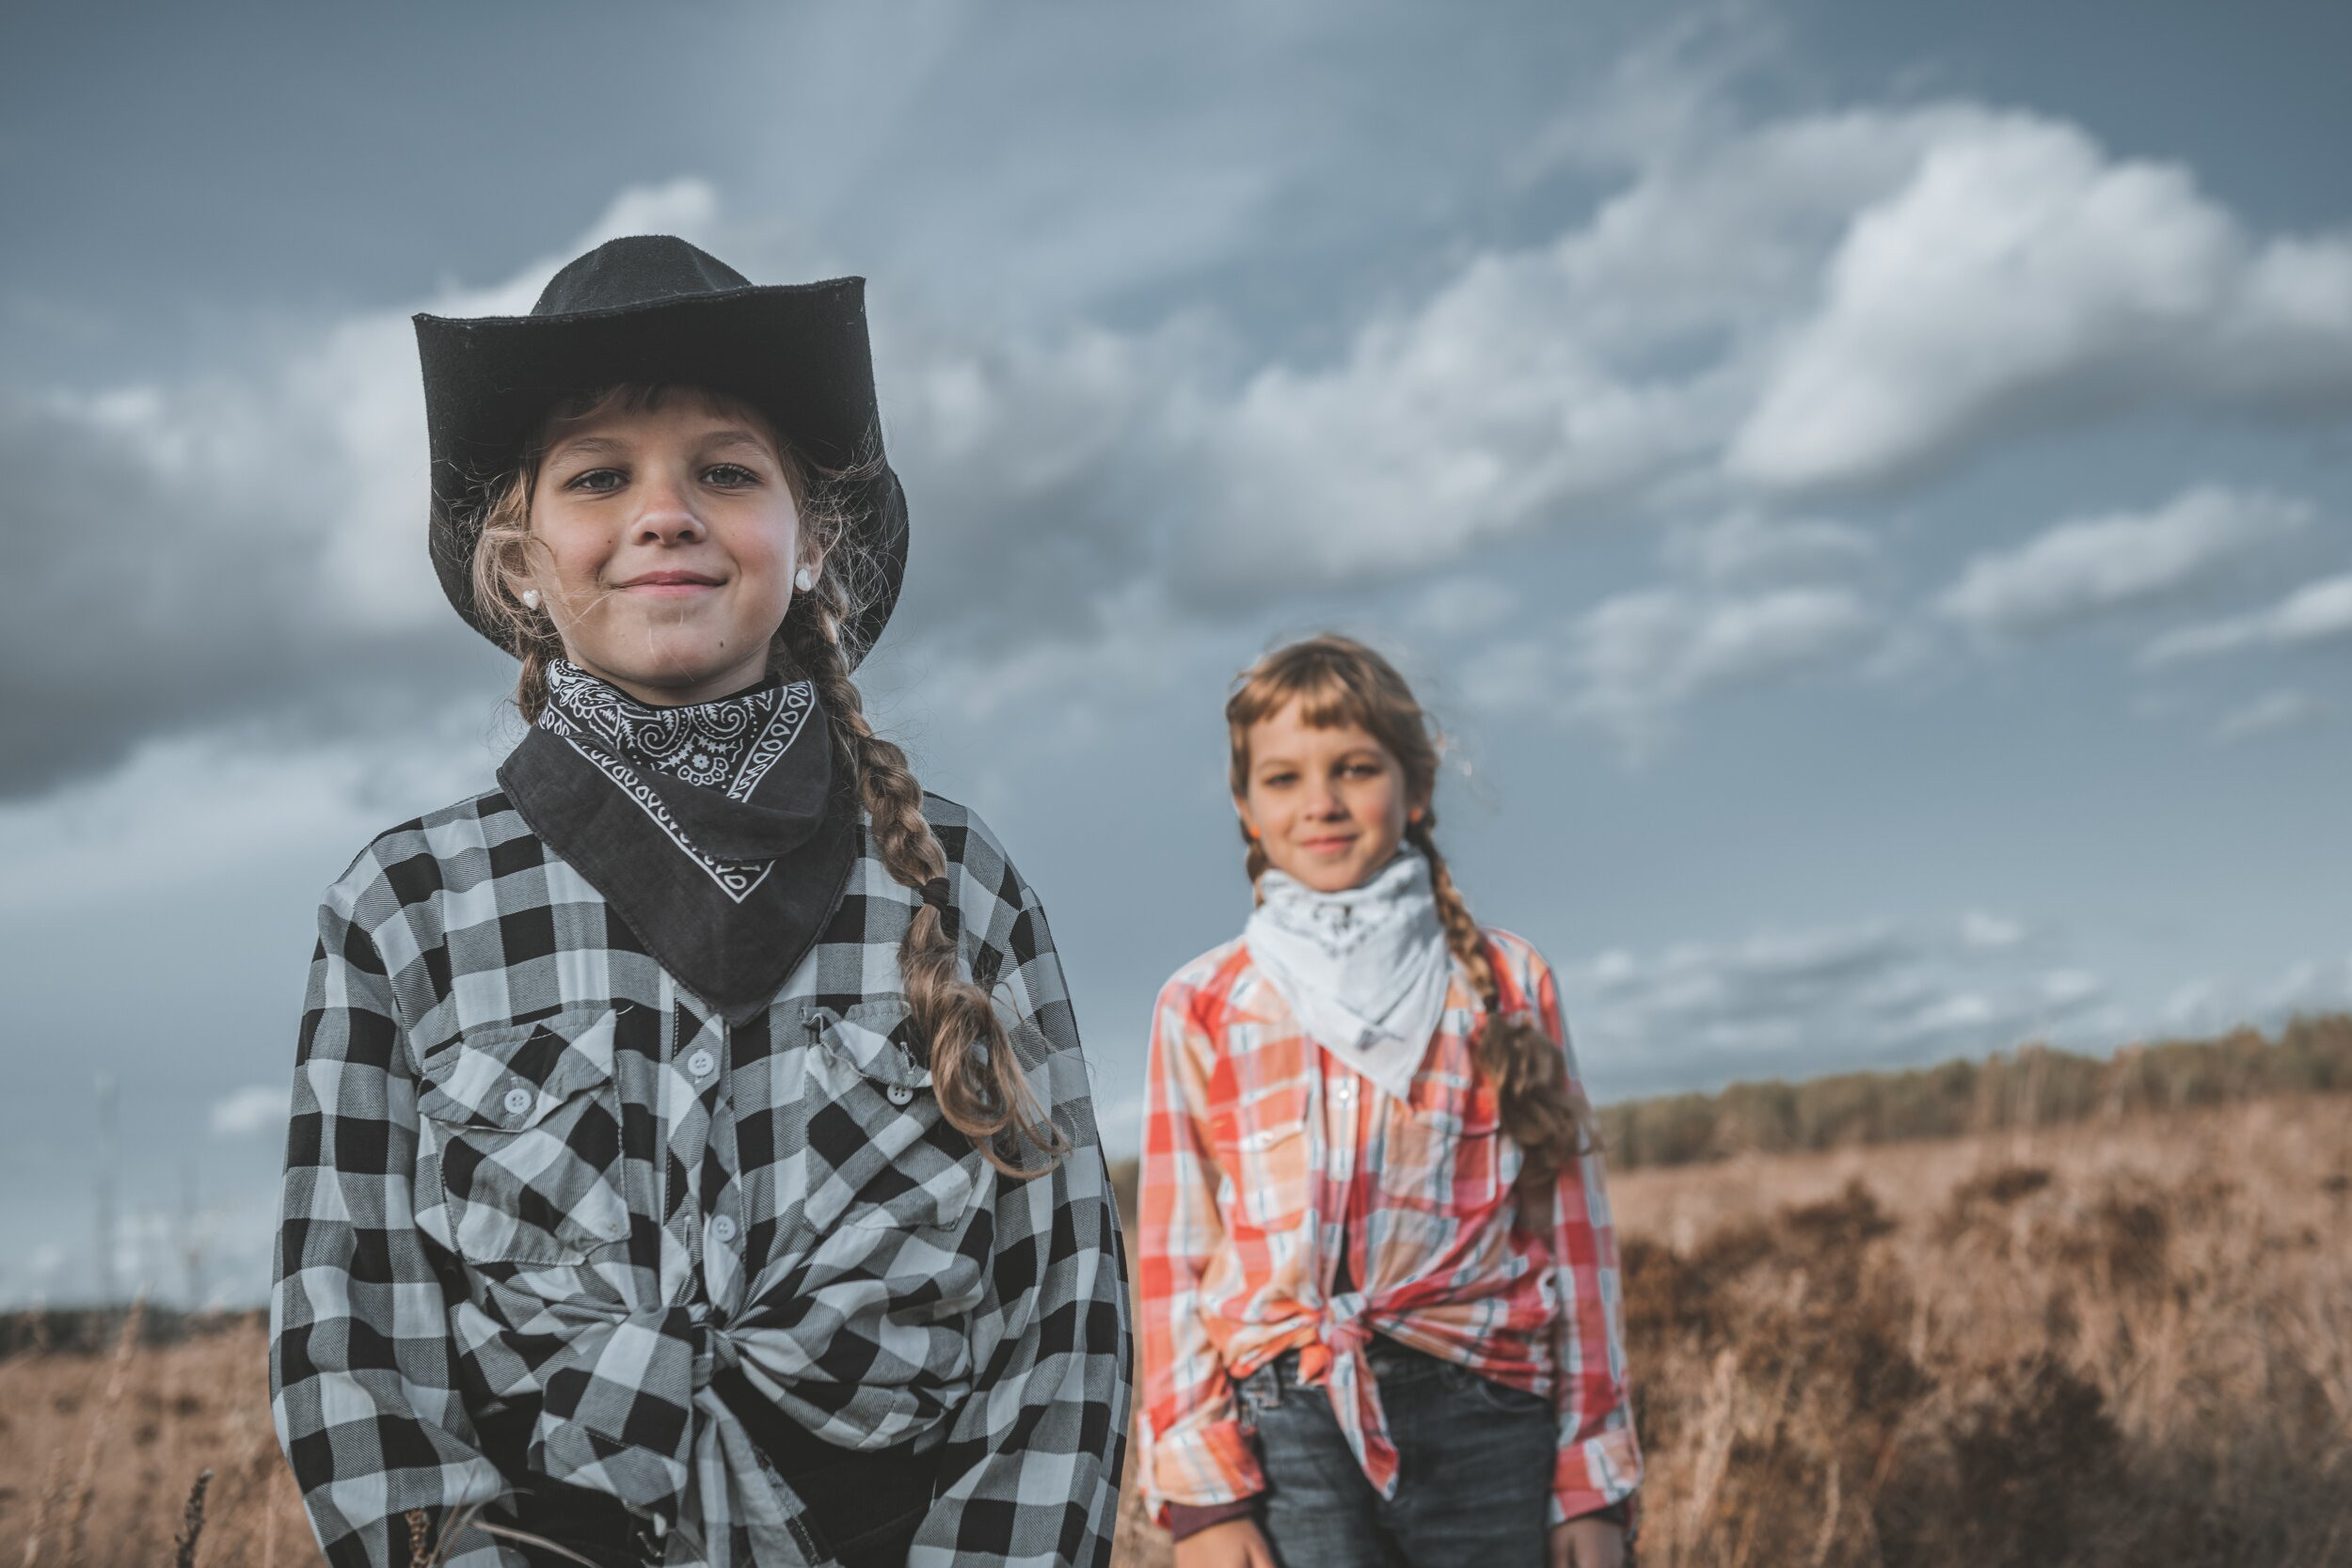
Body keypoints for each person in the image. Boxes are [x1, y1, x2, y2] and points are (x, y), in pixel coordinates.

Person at [270, 235, 1130, 1568]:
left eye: (726, 472)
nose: (664, 512)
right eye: (599, 477)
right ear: (520, 557)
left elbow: (1063, 1310)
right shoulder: (408, 907)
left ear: (813, 537)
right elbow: (350, 1330)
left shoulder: (956, 884)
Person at [1135, 635, 1641, 1568]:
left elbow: (1574, 1236)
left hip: (1489, 1411)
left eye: (1354, 768)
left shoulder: (1502, 978)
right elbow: (1175, 1260)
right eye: (1283, 778)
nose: (1320, 802)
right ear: (1246, 809)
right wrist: (1205, 1501)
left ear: (1415, 788)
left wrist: (1590, 1479)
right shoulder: (1206, 1001)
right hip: (1288, 1425)